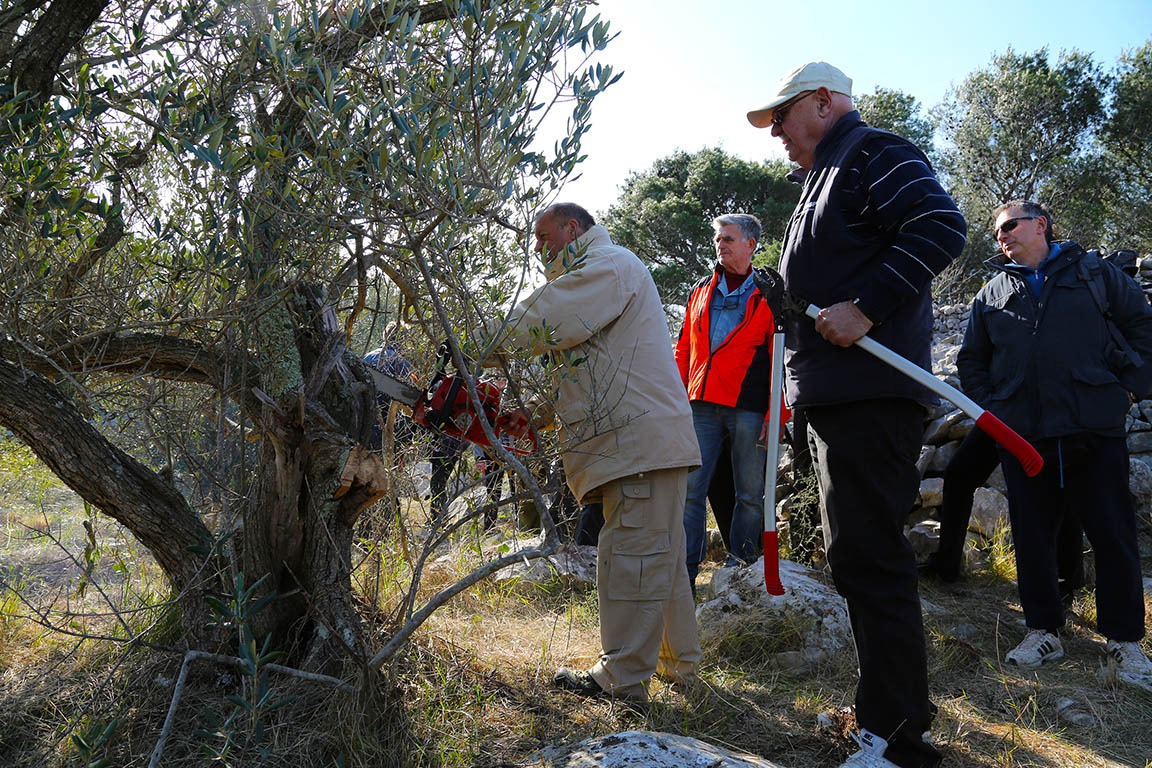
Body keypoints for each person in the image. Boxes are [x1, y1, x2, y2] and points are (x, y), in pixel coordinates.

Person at [747, 61, 966, 768]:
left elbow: (940, 227)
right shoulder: (819, 178)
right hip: (834, 396)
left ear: (822, 102)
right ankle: (880, 715)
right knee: (854, 557)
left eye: (781, 116)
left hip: (871, 394)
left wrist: (866, 307)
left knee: (871, 559)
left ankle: (898, 740)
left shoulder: (874, 151)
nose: (775, 132)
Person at [488, 202, 702, 704]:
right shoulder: (602, 272)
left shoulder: (606, 266)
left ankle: (620, 680)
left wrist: (468, 335)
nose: (537, 249)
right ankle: (679, 664)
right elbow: (589, 367)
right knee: (659, 560)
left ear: (572, 228)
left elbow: (543, 320)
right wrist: (538, 413)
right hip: (644, 444)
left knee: (631, 560)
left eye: (543, 237)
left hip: (637, 445)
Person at [957, 200, 1152, 685]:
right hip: (1024, 437)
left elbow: (1143, 328)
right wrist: (995, 411)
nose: (1002, 237)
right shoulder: (991, 293)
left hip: (1093, 428)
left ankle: (1125, 641)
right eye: (997, 232)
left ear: (1041, 224)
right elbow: (972, 360)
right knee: (1031, 536)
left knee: (1112, 534)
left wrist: (1128, 389)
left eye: (1010, 226)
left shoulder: (1096, 274)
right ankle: (1043, 631)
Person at [674, 213, 787, 589]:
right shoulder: (700, 289)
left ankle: (741, 574)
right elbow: (684, 349)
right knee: (689, 492)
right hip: (699, 405)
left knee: (750, 494)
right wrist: (675, 399)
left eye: (728, 239)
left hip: (749, 407)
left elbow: (779, 356)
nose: (719, 245)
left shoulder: (770, 293)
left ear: (750, 244)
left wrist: (776, 412)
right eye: (717, 239)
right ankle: (685, 577)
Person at [921, 427, 1084, 600]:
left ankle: (1064, 584)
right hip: (1003, 415)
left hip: (1041, 422)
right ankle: (946, 564)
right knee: (959, 474)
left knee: (1052, 491)